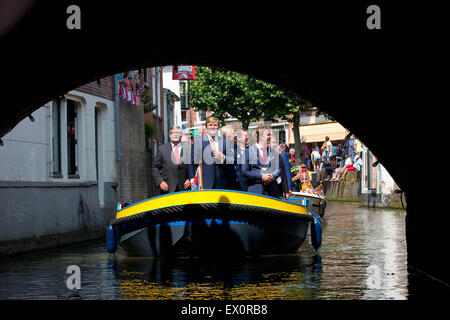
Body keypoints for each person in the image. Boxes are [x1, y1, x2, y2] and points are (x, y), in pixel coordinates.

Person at [189, 116, 233, 189]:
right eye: (210, 125)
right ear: (206, 127)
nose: (213, 127)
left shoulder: (225, 142)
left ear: (218, 127)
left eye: (215, 125)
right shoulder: (198, 142)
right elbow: (191, 162)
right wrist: (192, 180)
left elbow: (233, 160)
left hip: (223, 182)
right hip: (205, 182)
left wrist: (223, 157)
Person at [243, 126, 281, 197]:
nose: (270, 136)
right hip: (256, 191)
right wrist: (261, 177)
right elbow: (245, 171)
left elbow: (278, 169)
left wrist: (272, 176)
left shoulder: (272, 151)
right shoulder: (248, 151)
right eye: (268, 135)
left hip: (272, 191)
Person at [152, 125, 191, 194]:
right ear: (170, 135)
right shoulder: (162, 149)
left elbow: (192, 166)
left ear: (181, 136)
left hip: (184, 189)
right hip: (167, 189)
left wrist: (190, 179)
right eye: (174, 133)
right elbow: (155, 167)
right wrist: (160, 181)